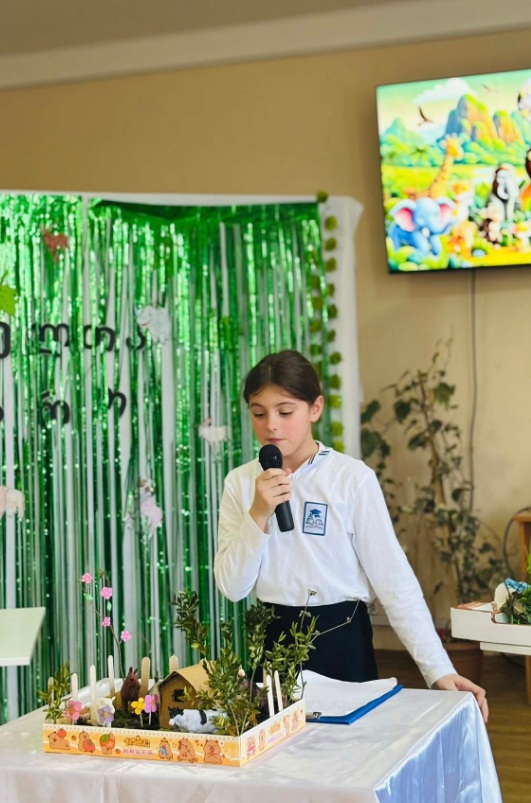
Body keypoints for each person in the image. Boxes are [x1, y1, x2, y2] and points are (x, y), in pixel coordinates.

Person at [214, 350, 488, 722]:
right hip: (274, 642)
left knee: (351, 751)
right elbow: (233, 587)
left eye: (285, 411)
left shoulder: (351, 479)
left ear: (315, 409)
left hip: (342, 639)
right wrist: (258, 514)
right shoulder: (240, 482)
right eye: (259, 413)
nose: (271, 425)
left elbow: (394, 581)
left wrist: (438, 670)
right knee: (278, 754)